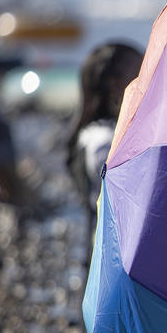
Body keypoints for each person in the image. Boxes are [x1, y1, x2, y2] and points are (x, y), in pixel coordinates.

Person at [65, 42, 144, 243]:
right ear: (115, 83)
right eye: (141, 72)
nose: (149, 79)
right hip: (114, 252)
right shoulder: (104, 141)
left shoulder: (93, 133)